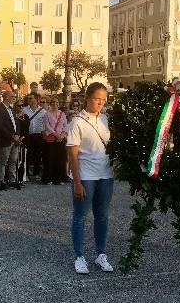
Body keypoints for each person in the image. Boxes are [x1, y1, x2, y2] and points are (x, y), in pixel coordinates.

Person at [67, 82, 114, 274]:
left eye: (104, 99)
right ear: (87, 98)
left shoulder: (105, 120)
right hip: (86, 175)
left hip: (105, 174)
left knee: (102, 217)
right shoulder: (77, 122)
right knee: (80, 217)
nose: (100, 103)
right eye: (97, 98)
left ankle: (101, 254)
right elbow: (72, 153)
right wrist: (77, 182)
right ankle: (79, 256)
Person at [0, 90, 21, 190]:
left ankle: (12, 180)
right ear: (6, 97)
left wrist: (17, 134)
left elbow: (16, 123)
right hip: (6, 139)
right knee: (3, 161)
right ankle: (1, 181)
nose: (14, 97)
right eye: (12, 96)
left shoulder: (11, 109)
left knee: (13, 160)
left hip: (15, 139)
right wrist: (11, 136)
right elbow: (0, 126)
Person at [43, 97, 68, 185]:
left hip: (60, 139)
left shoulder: (62, 114)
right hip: (51, 138)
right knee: (50, 159)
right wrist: (56, 134)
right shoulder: (47, 114)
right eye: (53, 102)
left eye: (56, 102)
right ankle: (48, 178)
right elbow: (47, 126)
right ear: (50, 103)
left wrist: (62, 135)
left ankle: (58, 178)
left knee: (60, 159)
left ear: (59, 103)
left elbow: (65, 126)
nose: (55, 104)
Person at [23, 93, 46, 181]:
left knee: (37, 154)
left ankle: (36, 173)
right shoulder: (24, 110)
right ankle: (27, 174)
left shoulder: (43, 112)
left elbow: (44, 125)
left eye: (31, 98)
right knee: (27, 154)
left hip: (38, 135)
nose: (30, 100)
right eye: (29, 98)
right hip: (28, 135)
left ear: (36, 100)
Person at [14, 99, 29, 186]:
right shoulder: (12, 116)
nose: (20, 107)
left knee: (23, 160)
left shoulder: (26, 116)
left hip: (24, 140)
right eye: (18, 105)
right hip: (14, 140)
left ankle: (21, 178)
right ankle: (14, 178)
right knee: (14, 160)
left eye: (22, 105)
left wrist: (22, 139)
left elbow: (27, 129)